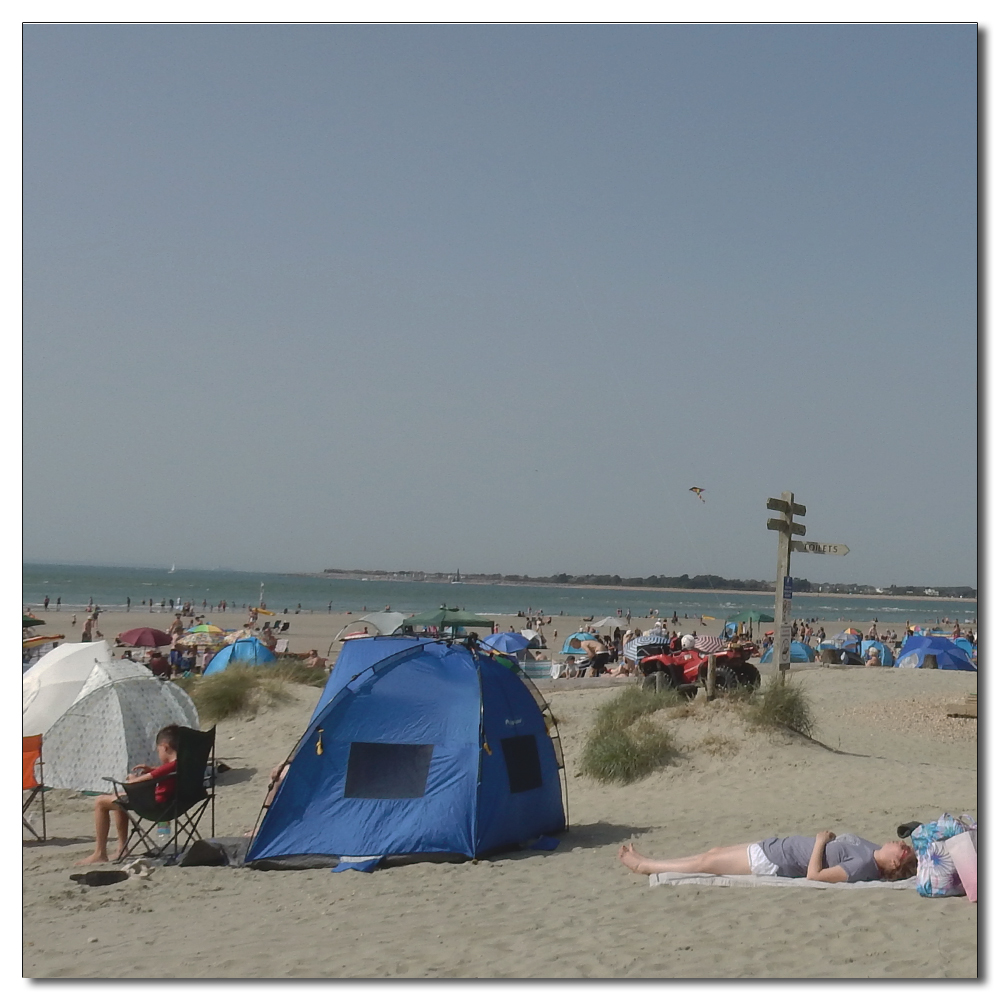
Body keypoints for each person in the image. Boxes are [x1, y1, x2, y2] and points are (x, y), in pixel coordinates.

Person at [619, 831, 916, 884]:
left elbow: (814, 876)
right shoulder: (870, 849)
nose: (900, 843)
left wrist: (820, 841)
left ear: (893, 864)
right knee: (712, 854)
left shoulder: (863, 866)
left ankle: (645, 865)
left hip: (775, 861)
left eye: (902, 850)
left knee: (706, 865)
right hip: (775, 847)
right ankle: (649, 862)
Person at [76, 725, 179, 865]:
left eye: (158, 749)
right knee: (117, 796)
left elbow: (135, 783)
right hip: (175, 801)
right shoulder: (183, 763)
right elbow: (163, 772)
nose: (158, 752)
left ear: (165, 747)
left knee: (100, 802)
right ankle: (122, 848)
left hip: (156, 805)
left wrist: (131, 778)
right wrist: (152, 769)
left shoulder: (168, 767)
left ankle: (100, 853)